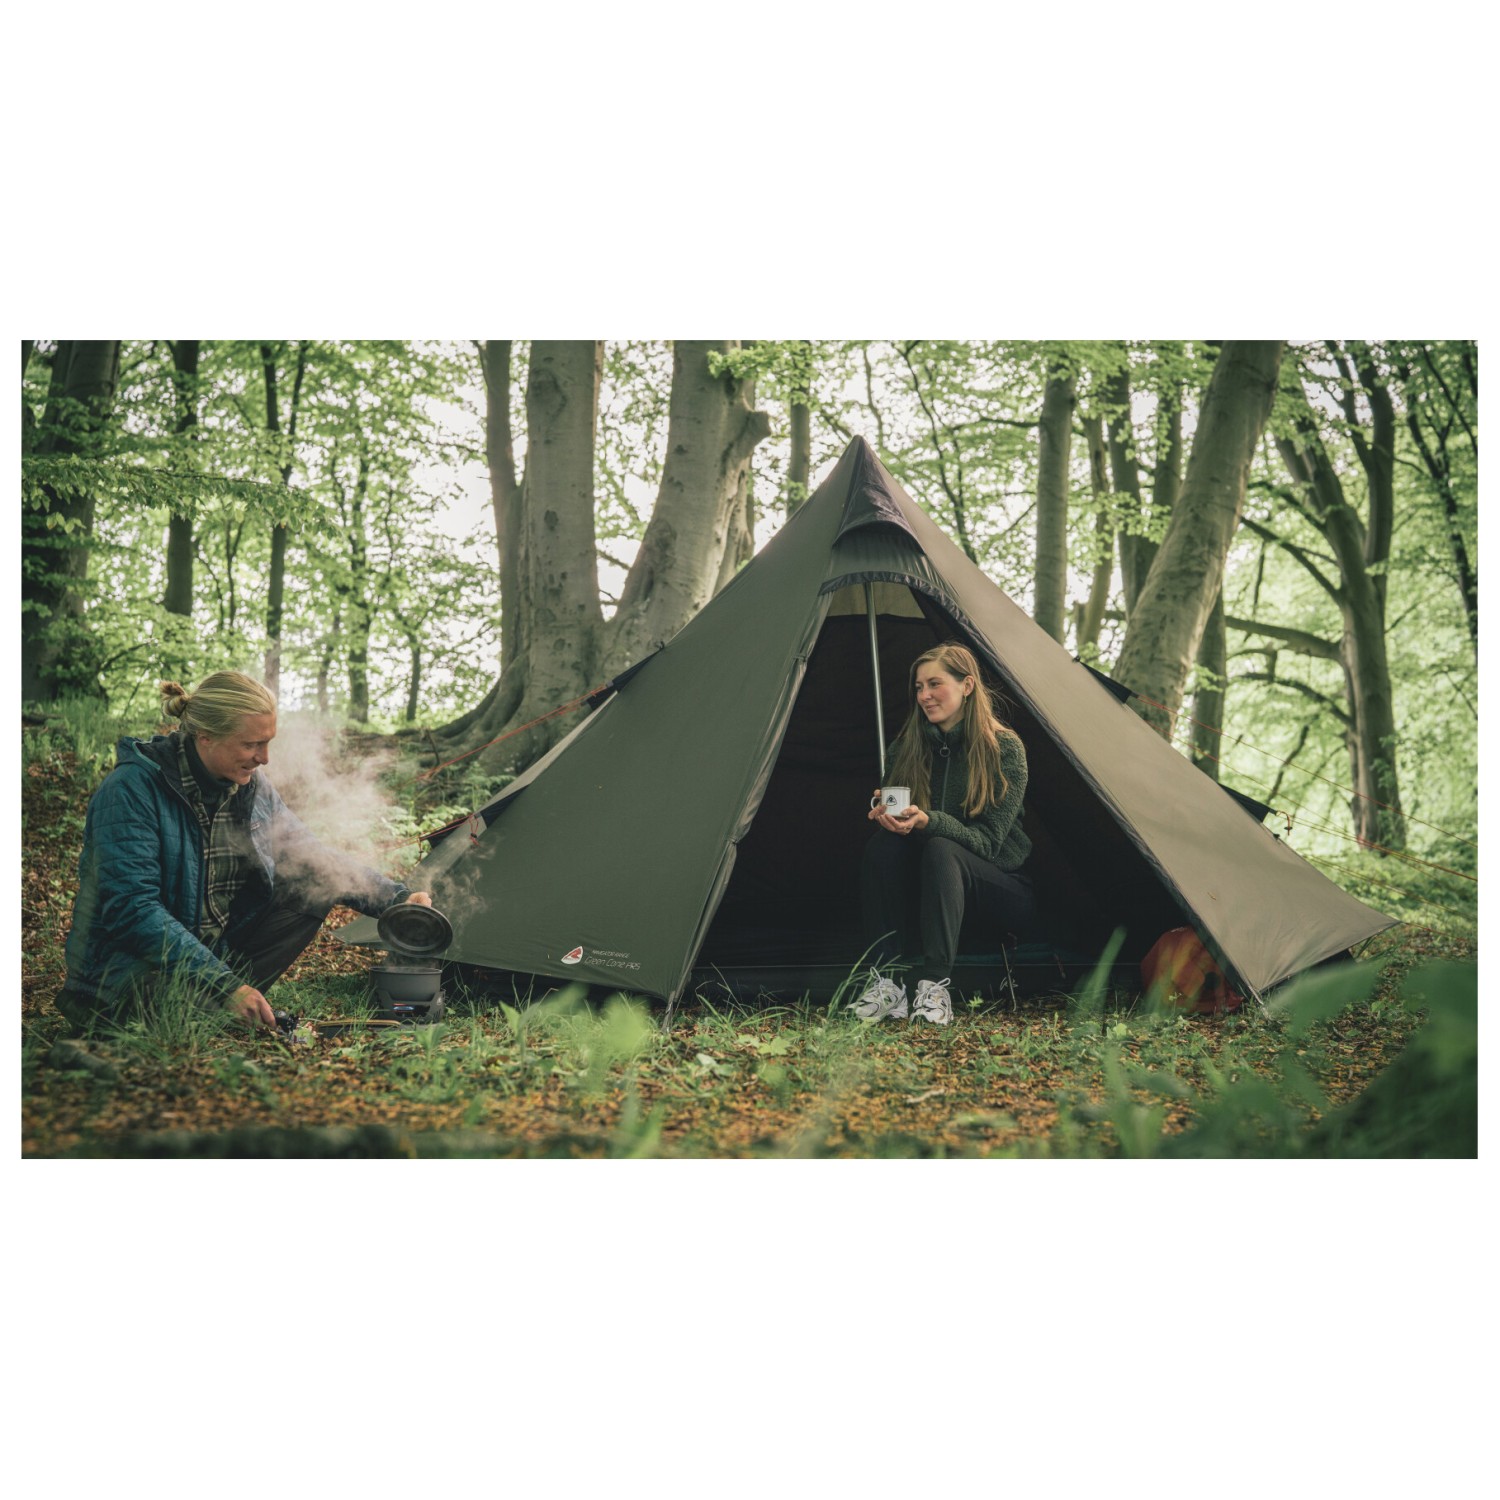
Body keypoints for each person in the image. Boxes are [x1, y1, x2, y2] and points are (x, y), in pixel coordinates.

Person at [56, 671, 431, 1034]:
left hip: (213, 965)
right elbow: (132, 910)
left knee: (313, 880)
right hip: (126, 977)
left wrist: (396, 899)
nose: (264, 757)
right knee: (177, 1012)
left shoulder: (250, 787)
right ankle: (214, 1007)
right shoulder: (131, 790)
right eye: (251, 744)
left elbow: (312, 855)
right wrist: (225, 985)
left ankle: (223, 1005)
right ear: (205, 736)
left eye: (268, 743)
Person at [852, 642, 1035, 1026]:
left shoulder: (1005, 748)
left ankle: (935, 987)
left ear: (967, 685)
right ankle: (888, 985)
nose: (924, 695)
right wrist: (890, 818)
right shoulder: (905, 748)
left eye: (935, 684)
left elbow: (988, 843)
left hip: (999, 887)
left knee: (941, 848)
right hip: (930, 886)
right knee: (884, 845)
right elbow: (902, 828)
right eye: (919, 687)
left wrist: (927, 820)